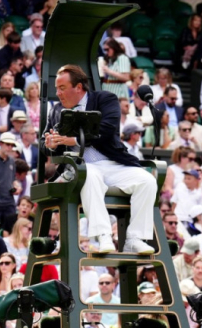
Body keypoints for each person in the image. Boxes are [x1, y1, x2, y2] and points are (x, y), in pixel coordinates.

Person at [42, 64, 157, 255]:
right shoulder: (56, 110)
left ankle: (134, 239)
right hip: (78, 167)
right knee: (90, 173)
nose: (58, 93)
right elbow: (44, 141)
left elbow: (108, 129)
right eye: (56, 88)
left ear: (78, 87)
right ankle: (103, 236)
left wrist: (76, 140)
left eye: (62, 88)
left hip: (113, 163)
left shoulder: (105, 99)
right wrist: (50, 144)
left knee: (147, 181)